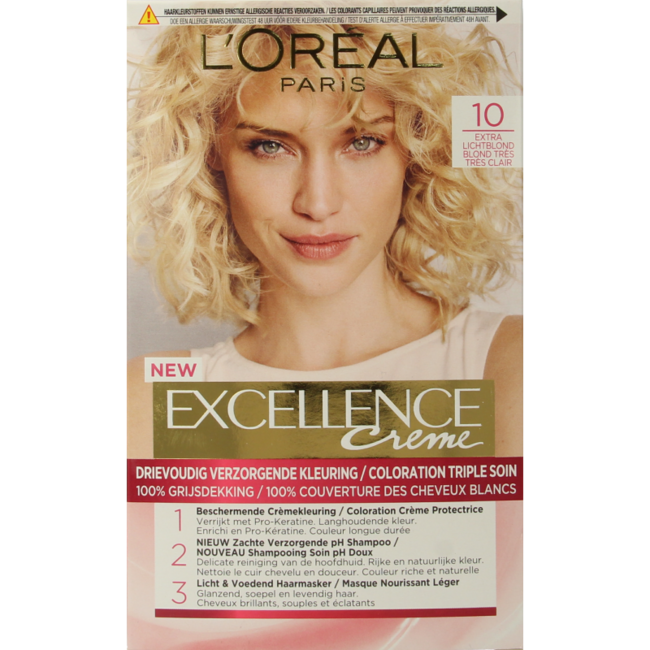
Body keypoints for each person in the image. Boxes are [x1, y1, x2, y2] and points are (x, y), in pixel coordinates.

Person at [126, 23, 524, 459]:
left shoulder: (505, 363)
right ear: (210, 150)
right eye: (269, 147)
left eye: (363, 143)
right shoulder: (154, 398)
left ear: (417, 149)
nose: (317, 204)